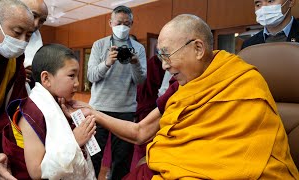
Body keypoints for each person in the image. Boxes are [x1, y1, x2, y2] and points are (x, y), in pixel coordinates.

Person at [65, 14, 299, 179]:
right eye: (160, 57)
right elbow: (140, 132)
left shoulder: (244, 81)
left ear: (198, 48)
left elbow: (247, 153)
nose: (164, 66)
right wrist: (93, 112)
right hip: (177, 169)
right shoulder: (179, 88)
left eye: (167, 55)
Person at [3, 44, 97, 179]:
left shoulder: (60, 103)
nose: (77, 83)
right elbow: (36, 171)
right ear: (46, 78)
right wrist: (74, 141)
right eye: (71, 76)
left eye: (78, 76)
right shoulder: (32, 111)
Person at [87, 5, 147, 179]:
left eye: (127, 23)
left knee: (122, 160)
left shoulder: (138, 48)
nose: (123, 26)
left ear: (132, 24)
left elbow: (141, 81)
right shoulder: (99, 45)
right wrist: (106, 63)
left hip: (125, 110)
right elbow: (91, 76)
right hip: (98, 109)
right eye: (119, 22)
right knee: (94, 156)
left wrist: (135, 63)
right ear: (110, 22)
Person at [0, 0, 35, 179]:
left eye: (28, 36)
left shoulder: (14, 59)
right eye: (17, 33)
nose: (22, 42)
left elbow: (17, 105)